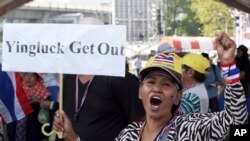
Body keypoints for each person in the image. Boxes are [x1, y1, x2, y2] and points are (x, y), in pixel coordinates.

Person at [115, 32, 248, 141]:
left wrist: (228, 64)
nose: (156, 88)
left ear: (178, 96)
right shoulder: (128, 134)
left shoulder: (190, 128)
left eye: (166, 84)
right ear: (140, 91)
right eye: (151, 82)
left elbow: (236, 121)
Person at [52, 17, 145, 141]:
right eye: (81, 37)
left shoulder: (120, 78)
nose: (85, 43)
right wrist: (59, 122)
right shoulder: (68, 79)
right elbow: (65, 118)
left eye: (92, 37)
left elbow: (141, 125)